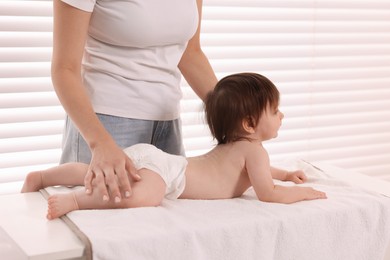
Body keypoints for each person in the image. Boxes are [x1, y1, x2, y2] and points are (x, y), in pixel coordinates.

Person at [22, 72, 327, 220]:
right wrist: (303, 193)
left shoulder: (242, 150)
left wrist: (286, 174)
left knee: (94, 169)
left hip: (158, 160)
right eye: (275, 111)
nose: (281, 115)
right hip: (168, 174)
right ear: (249, 124)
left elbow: (257, 173)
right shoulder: (254, 151)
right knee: (138, 196)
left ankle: (46, 177)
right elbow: (267, 193)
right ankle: (77, 201)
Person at [51, 0, 218, 203]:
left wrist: (236, 111)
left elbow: (190, 53)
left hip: (168, 123)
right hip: (105, 125)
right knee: (97, 226)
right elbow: (64, 69)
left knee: (167, 228)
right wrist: (100, 144)